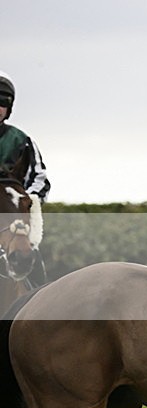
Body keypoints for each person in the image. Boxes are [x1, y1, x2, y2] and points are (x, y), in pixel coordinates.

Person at [0, 71, 49, 287]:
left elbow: (40, 178)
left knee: (33, 261)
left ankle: (39, 309)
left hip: (12, 217)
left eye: (2, 102)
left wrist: (27, 200)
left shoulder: (22, 140)